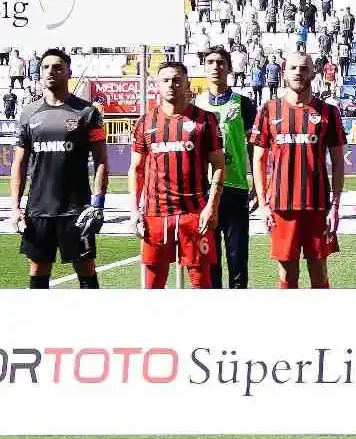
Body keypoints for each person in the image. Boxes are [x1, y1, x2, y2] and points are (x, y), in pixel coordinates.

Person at [8, 49, 108, 289]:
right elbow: (19, 163)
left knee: (86, 269)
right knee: (38, 270)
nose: (51, 71)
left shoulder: (88, 112)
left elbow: (101, 161)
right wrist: (15, 208)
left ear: (69, 72)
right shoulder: (28, 113)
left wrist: (97, 204)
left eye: (57, 67)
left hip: (77, 211)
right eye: (45, 67)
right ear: (40, 73)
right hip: (39, 210)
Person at [250, 52, 346, 289]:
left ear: (313, 73)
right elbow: (259, 159)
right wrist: (262, 205)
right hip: (282, 207)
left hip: (317, 208)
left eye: (304, 68)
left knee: (319, 273)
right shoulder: (269, 110)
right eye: (293, 68)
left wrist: (335, 207)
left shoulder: (328, 112)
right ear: (284, 72)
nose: (298, 73)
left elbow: (338, 161)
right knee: (286, 274)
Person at [129, 61, 225, 289]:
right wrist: (134, 211)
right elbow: (136, 169)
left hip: (194, 214)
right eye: (165, 80)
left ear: (187, 84)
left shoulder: (206, 120)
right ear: (157, 86)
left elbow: (219, 165)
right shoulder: (145, 122)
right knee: (154, 284)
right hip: (155, 214)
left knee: (201, 283)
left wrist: (212, 206)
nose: (171, 84)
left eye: (177, 79)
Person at [194, 47, 258, 288]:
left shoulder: (243, 104)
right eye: (210, 62)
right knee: (210, 262)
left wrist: (257, 184)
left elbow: (255, 147)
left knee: (237, 260)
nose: (215, 67)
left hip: (235, 187)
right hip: (204, 191)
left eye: (221, 62)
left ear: (230, 68)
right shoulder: (195, 104)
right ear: (203, 68)